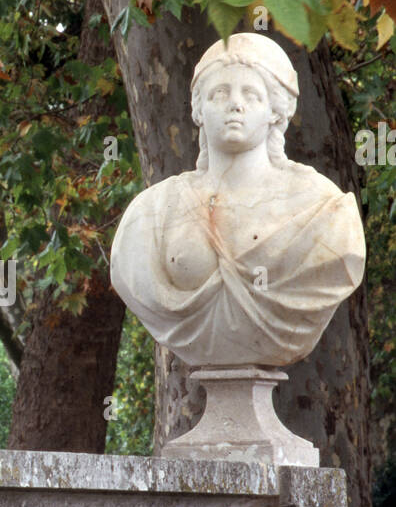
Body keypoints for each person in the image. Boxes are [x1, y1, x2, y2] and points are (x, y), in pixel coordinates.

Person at [109, 33, 366, 368]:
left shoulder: (324, 212)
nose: (235, 104)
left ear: (275, 111)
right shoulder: (151, 214)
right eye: (220, 93)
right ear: (198, 109)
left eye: (251, 94)